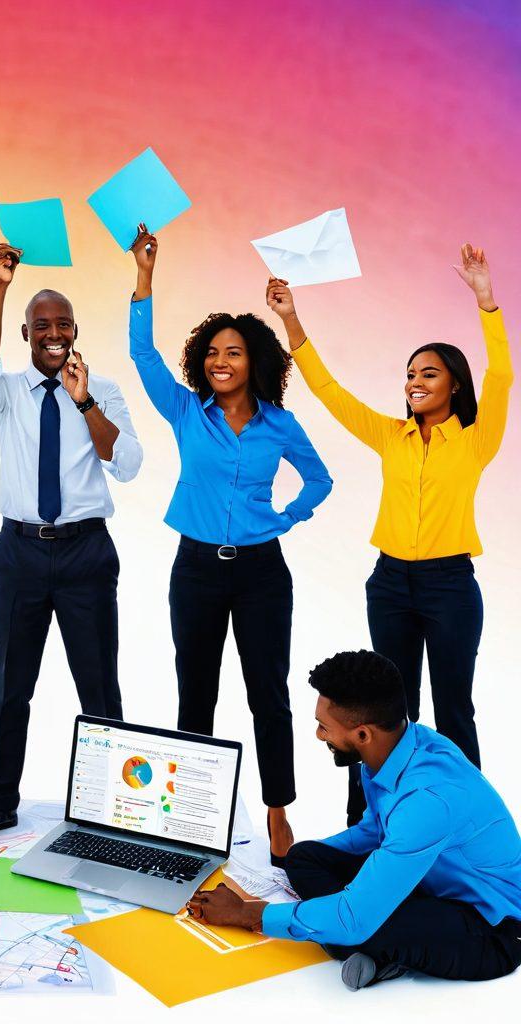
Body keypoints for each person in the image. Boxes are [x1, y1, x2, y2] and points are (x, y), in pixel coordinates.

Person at [267, 243, 512, 824]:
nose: (414, 382)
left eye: (428, 373)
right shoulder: (390, 436)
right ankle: (367, 825)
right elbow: (329, 392)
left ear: (455, 385)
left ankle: (463, 826)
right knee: (382, 716)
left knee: (454, 711)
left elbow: (502, 375)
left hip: (450, 586)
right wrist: (291, 319)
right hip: (391, 584)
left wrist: (485, 299)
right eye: (409, 374)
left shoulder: (476, 442)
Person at [128, 225, 332, 862]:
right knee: (197, 692)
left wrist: (285, 518)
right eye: (213, 352)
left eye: (234, 352)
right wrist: (144, 274)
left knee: (268, 693)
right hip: (195, 571)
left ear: (255, 362)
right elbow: (142, 355)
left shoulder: (280, 424)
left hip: (261, 574)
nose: (220, 361)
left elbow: (320, 479)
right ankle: (192, 818)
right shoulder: (187, 412)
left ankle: (277, 812)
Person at [186, 650, 521, 990]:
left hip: (490, 929)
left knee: (357, 924)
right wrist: (310, 862)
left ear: (362, 735)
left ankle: (359, 941)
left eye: (324, 726)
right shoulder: (397, 749)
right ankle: (356, 935)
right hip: (423, 881)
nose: (319, 735)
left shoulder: (427, 800)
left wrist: (248, 913)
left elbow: (355, 916)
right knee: (301, 858)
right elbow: (373, 832)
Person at [0, 242, 143, 846]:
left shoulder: (101, 389)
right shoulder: (7, 392)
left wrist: (83, 400)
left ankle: (112, 812)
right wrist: (0, 285)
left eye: (63, 324)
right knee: (11, 687)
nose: (53, 334)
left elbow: (127, 464)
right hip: (20, 553)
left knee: (100, 689)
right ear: (26, 334)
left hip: (86, 552)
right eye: (41, 326)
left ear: (75, 331)